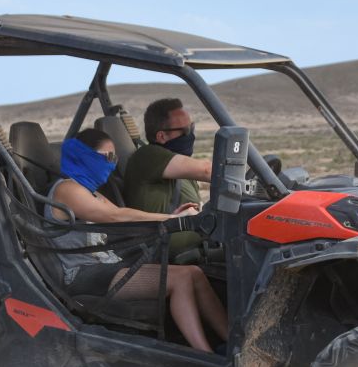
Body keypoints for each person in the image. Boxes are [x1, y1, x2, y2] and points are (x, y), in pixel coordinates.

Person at [47, 128, 228, 353]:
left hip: (106, 266)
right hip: (83, 274)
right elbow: (115, 217)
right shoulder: (67, 189)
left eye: (116, 158)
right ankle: (207, 357)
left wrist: (172, 219)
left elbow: (124, 217)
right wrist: (174, 219)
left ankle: (231, 342)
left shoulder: (89, 191)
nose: (112, 164)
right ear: (86, 156)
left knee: (195, 273)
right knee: (180, 279)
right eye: (108, 157)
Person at [122, 98, 209, 258]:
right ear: (161, 136)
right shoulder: (148, 156)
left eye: (192, 127)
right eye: (185, 131)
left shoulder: (179, 166)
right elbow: (207, 171)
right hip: (167, 258)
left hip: (198, 249)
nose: (190, 135)